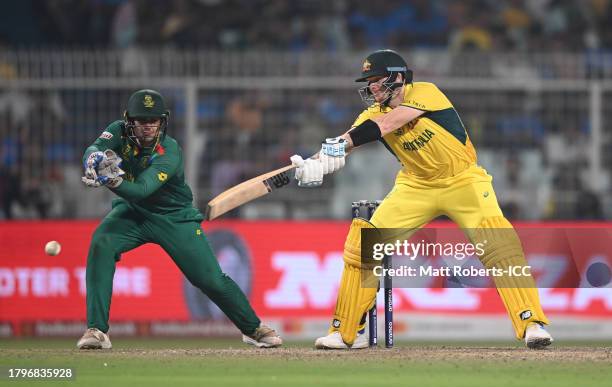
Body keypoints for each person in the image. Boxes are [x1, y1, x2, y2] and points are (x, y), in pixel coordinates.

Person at [290, 49, 553, 350]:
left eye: (377, 81)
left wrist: (341, 145)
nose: (372, 89)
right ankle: (347, 331)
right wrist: (316, 161)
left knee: (499, 242)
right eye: (369, 83)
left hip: (463, 180)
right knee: (364, 245)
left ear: (398, 78)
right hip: (415, 185)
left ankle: (531, 322)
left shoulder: (426, 92)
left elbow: (386, 126)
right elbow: (349, 139)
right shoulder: (371, 114)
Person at [77, 89, 281, 349]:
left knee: (210, 280)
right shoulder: (116, 131)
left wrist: (110, 179)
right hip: (132, 213)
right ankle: (96, 330)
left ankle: (253, 328)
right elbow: (95, 148)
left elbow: (141, 190)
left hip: (174, 217)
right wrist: (92, 158)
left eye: (154, 121)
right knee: (101, 244)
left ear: (164, 121)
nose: (149, 127)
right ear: (129, 120)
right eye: (142, 121)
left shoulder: (169, 150)